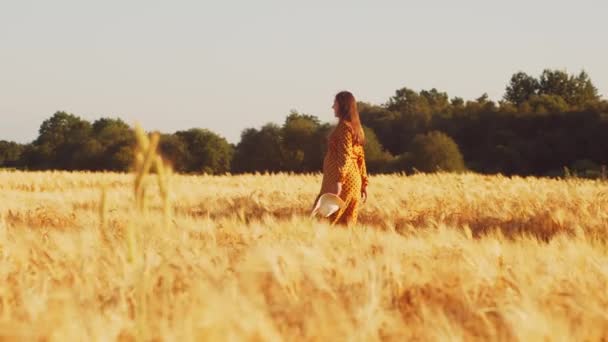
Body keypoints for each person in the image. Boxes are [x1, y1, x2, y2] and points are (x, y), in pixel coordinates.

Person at [313, 91, 368, 226]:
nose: (332, 107)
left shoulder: (344, 127)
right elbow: (360, 158)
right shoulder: (355, 128)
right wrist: (363, 182)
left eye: (335, 104)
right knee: (346, 225)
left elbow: (345, 156)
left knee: (328, 223)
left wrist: (338, 181)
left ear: (342, 106)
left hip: (341, 182)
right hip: (352, 181)